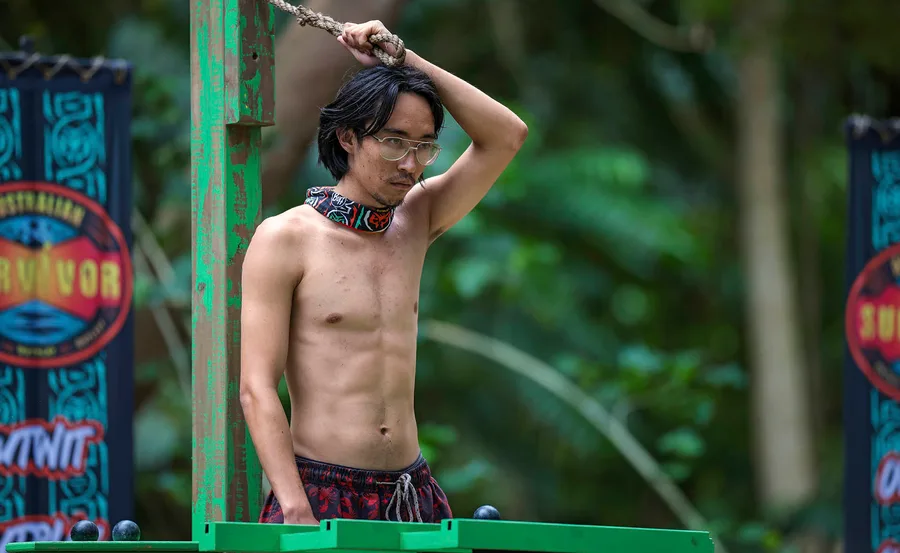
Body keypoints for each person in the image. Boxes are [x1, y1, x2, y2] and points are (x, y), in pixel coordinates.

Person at [239, 20, 528, 525]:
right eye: (394, 142)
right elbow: (256, 387)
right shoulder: (285, 238)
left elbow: (506, 135)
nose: (410, 164)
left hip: (410, 493)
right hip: (317, 492)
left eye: (423, 146)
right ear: (349, 137)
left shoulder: (416, 219)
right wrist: (293, 504)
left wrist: (404, 59)